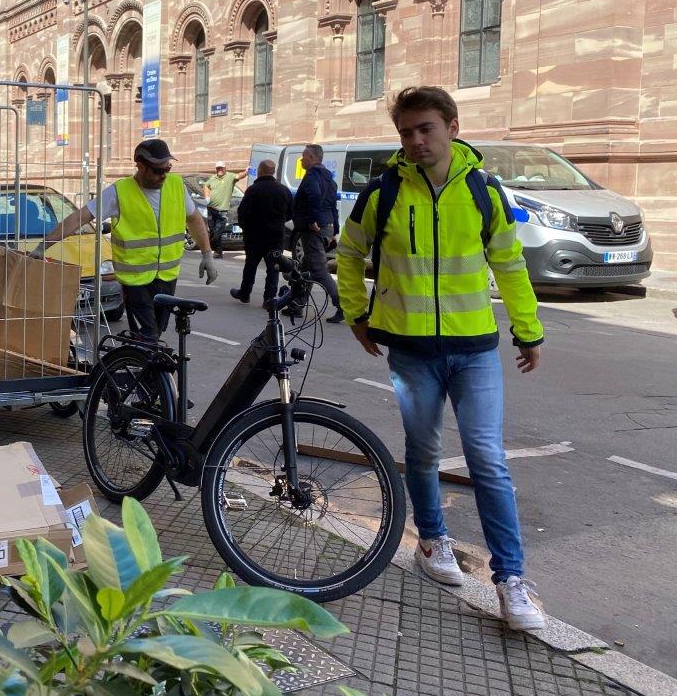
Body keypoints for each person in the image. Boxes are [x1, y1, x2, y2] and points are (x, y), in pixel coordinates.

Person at [336, 86, 547, 632]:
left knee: (486, 459)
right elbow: (350, 252)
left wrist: (528, 330)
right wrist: (358, 316)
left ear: (452, 126)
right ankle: (432, 544)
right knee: (424, 452)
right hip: (410, 351)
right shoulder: (382, 193)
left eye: (425, 128)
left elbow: (510, 263)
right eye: (406, 132)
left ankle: (511, 579)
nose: (415, 141)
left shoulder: (483, 190)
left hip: (474, 347)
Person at [32, 139, 216, 341]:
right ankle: (137, 366)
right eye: (157, 171)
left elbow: (194, 219)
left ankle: (140, 366)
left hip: (167, 276)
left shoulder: (176, 185)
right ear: (141, 166)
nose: (163, 176)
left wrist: (207, 255)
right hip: (134, 280)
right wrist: (44, 246)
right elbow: (80, 217)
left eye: (167, 169)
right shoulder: (119, 192)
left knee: (157, 332)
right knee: (149, 335)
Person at [230, 159, 293, 306]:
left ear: (260, 171)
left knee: (251, 265)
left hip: (255, 235)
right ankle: (269, 298)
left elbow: (243, 213)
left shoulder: (253, 190)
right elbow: (290, 213)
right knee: (273, 268)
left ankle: (245, 293)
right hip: (276, 235)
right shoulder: (283, 190)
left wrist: (245, 227)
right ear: (273, 172)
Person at [293, 144, 344, 323]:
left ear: (313, 158)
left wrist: (312, 219)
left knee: (319, 270)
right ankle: (297, 305)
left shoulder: (312, 175)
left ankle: (342, 306)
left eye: (304, 155)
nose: (301, 159)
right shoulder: (329, 179)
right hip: (325, 225)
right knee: (305, 267)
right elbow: (332, 206)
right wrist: (334, 230)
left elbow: (314, 196)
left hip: (313, 229)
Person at [202, 160, 247, 258]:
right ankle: (218, 252)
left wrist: (247, 171)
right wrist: (206, 197)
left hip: (222, 211)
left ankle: (214, 250)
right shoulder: (213, 178)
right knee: (213, 231)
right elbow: (206, 185)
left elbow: (239, 175)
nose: (219, 170)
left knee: (217, 233)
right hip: (211, 209)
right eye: (218, 168)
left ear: (225, 168)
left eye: (221, 168)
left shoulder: (230, 176)